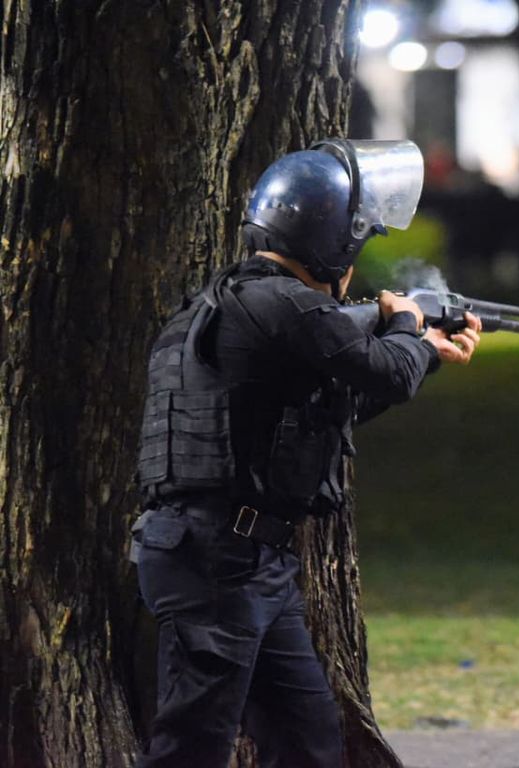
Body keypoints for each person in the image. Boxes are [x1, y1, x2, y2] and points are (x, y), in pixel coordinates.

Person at [129, 138, 481, 767]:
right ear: (334, 241)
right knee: (192, 747)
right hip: (215, 560)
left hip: (246, 559)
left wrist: (423, 356)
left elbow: (330, 411)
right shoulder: (286, 304)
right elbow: (387, 371)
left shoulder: (232, 306)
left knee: (309, 739)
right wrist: (409, 330)